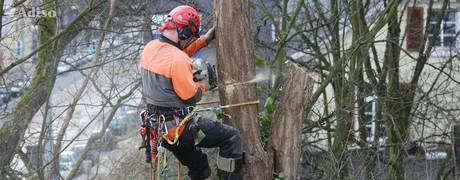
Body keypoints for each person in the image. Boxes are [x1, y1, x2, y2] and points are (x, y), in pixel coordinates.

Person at [139, 5, 243, 180]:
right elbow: (191, 97)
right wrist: (202, 85)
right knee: (231, 138)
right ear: (184, 32)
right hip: (179, 129)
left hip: (158, 129)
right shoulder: (177, 59)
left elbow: (176, 54)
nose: (189, 41)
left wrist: (204, 40)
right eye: (190, 37)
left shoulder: (151, 48)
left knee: (200, 168)